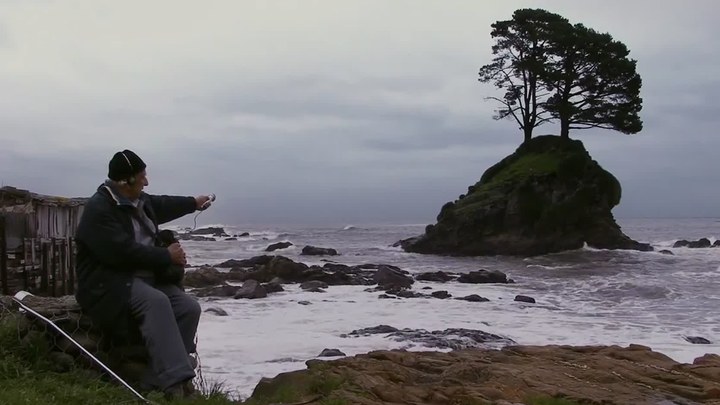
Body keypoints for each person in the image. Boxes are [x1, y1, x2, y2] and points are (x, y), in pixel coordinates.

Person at [74, 149, 212, 399]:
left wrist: (193, 202)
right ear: (125, 181)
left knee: (189, 307)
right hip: (109, 282)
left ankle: (158, 375)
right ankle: (175, 384)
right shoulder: (99, 210)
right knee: (156, 302)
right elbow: (121, 253)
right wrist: (166, 256)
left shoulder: (139, 201)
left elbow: (162, 204)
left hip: (142, 278)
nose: (146, 182)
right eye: (142, 177)